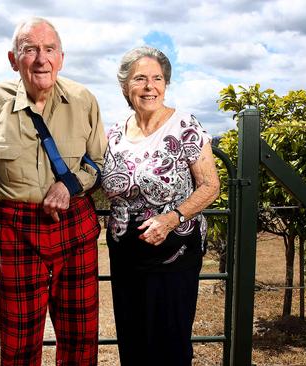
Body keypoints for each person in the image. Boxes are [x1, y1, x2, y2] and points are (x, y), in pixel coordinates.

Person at [0, 17, 106, 366]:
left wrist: (70, 183)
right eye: (29, 50)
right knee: (19, 343)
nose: (40, 59)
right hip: (16, 228)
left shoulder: (84, 100)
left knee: (82, 338)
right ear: (12, 59)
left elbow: (99, 161)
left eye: (49, 50)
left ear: (61, 58)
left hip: (75, 224)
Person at [101, 46, 220, 366]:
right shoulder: (113, 133)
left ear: (166, 84)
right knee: (132, 339)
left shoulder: (184, 125)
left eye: (157, 78)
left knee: (169, 341)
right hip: (124, 253)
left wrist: (171, 218)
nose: (150, 86)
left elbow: (210, 186)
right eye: (140, 78)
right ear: (125, 86)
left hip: (173, 248)